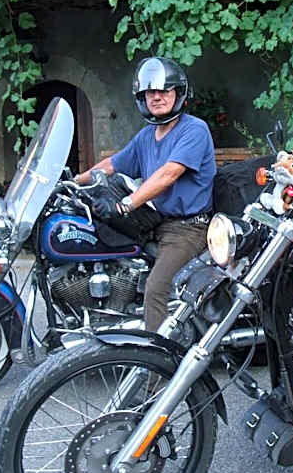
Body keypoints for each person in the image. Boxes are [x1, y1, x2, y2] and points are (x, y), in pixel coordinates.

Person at [75, 56, 216, 333]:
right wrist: (73, 181)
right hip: (157, 221)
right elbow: (112, 165)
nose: (157, 97)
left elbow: (168, 174)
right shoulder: (146, 136)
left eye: (164, 90)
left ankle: (155, 356)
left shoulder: (194, 129)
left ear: (178, 93)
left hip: (189, 228)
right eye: (150, 92)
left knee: (156, 288)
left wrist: (125, 205)